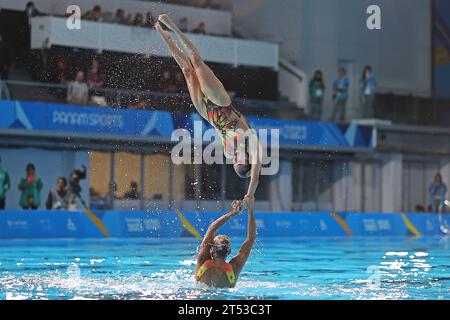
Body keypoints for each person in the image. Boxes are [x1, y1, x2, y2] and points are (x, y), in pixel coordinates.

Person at [155, 14, 261, 206]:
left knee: (187, 70)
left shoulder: (230, 153)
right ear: (249, 159)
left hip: (208, 114)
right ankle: (172, 26)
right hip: (221, 103)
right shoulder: (251, 144)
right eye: (239, 158)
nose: (235, 157)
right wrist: (250, 195)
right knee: (196, 60)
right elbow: (255, 175)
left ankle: (162, 34)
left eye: (234, 161)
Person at [195, 199, 256, 288]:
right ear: (229, 252)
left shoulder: (202, 259)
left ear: (211, 249)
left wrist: (234, 212)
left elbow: (212, 228)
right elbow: (251, 238)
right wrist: (250, 210)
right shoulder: (235, 267)